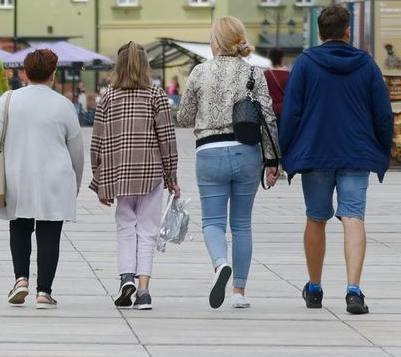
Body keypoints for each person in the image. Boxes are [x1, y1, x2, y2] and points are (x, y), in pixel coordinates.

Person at [279, 4, 394, 316]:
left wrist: (282, 153)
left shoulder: (305, 63)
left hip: (315, 152)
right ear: (348, 31)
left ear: (319, 32)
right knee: (353, 217)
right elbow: (383, 113)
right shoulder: (366, 64)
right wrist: (384, 149)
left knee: (316, 218)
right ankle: (353, 290)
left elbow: (291, 112)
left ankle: (314, 288)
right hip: (356, 153)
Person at [176, 16, 280, 310]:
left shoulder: (199, 72)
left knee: (212, 222)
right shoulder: (253, 73)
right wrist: (273, 161)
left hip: (209, 153)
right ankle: (239, 292)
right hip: (246, 151)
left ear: (216, 41)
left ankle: (221, 263)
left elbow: (183, 118)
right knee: (242, 224)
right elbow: (268, 118)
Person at [0, 48, 85, 309]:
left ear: (25, 73)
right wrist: (75, 183)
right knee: (50, 232)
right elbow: (76, 150)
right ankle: (44, 292)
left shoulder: (8, 99)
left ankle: (20, 280)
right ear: (53, 74)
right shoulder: (63, 104)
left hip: (18, 172)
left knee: (19, 225)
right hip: (55, 176)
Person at [90, 42, 179, 312]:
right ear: (145, 65)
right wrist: (171, 174)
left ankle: (125, 277)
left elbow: (97, 142)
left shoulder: (108, 97)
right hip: (150, 172)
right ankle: (143, 291)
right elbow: (167, 138)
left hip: (119, 173)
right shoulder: (156, 94)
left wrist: (99, 180)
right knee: (148, 231)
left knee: (125, 227)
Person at [263, 48, 290, 121]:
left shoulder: (265, 74)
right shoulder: (288, 75)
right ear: (281, 59)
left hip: (269, 111)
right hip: (285, 110)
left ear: (271, 59)